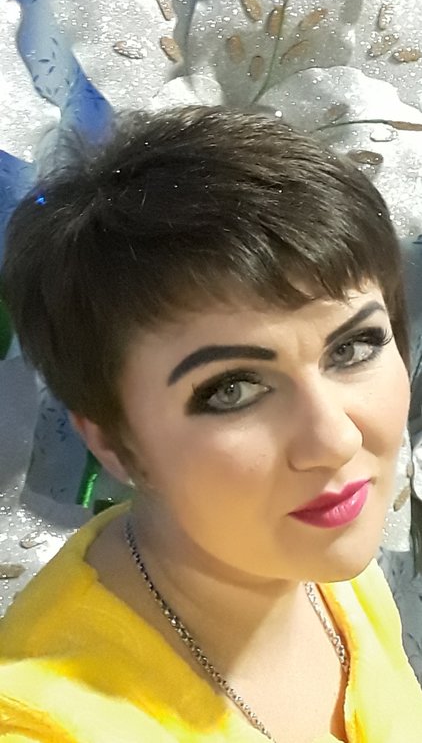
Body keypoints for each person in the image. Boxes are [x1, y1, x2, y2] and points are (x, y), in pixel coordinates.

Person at [0, 106, 421, 743]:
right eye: (233, 390)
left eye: (354, 347)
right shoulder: (49, 725)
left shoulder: (318, 542)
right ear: (113, 442)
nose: (337, 441)